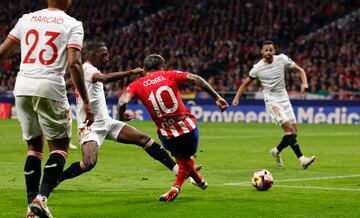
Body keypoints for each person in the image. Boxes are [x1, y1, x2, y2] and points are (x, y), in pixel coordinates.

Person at [0, 1, 95, 218]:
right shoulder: (73, 24)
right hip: (50, 84)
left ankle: (30, 208)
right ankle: (41, 199)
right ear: (68, 1)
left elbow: (2, 51)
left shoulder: (27, 19)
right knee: (59, 147)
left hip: (22, 85)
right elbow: (74, 63)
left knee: (34, 148)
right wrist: (87, 102)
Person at [58, 41, 181, 186]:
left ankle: (177, 170)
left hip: (107, 122)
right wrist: (131, 72)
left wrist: (59, 88)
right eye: (104, 55)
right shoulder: (88, 69)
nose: (107, 58)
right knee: (89, 163)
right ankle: (57, 179)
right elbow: (105, 78)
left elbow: (70, 83)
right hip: (90, 126)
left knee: (144, 140)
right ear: (92, 55)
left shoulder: (84, 71)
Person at [118, 54, 229, 202]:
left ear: (144, 69)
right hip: (187, 128)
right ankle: (176, 187)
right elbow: (196, 79)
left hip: (166, 134)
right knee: (187, 158)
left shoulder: (136, 84)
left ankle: (199, 180)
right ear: (162, 67)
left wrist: (122, 114)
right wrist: (216, 97)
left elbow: (121, 101)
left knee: (181, 159)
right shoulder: (170, 74)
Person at [232, 40, 316, 169]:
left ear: (274, 51)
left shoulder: (282, 59)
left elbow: (300, 70)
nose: (268, 52)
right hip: (271, 101)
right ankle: (302, 159)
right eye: (266, 50)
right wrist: (237, 97)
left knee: (294, 133)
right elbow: (245, 83)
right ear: (262, 51)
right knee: (288, 129)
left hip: (284, 99)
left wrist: (305, 84)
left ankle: (276, 151)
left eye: (270, 50)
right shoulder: (257, 68)